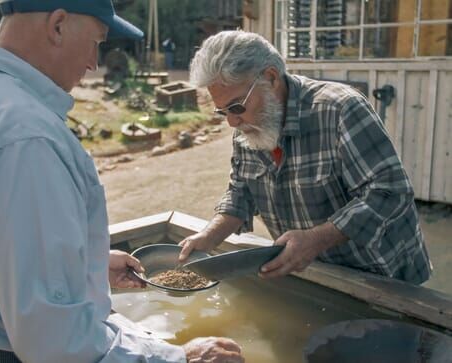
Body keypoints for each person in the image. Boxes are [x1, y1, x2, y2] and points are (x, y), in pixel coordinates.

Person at [0, 1, 244, 362]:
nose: (93, 64)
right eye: (97, 41)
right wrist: (181, 359)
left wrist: (86, 267)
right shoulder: (26, 139)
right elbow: (57, 342)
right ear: (59, 25)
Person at [179, 30, 432, 284]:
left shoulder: (340, 109)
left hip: (385, 276)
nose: (233, 122)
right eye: (223, 112)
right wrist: (209, 236)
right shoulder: (247, 128)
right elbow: (241, 192)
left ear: (270, 78)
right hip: (321, 276)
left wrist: (316, 239)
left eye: (236, 107)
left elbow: (390, 191)